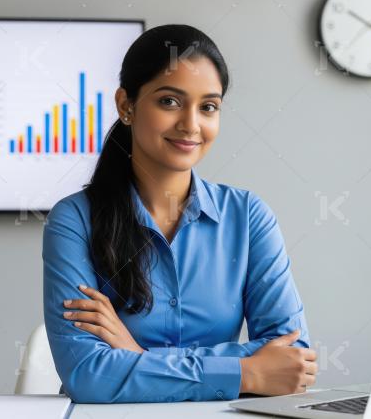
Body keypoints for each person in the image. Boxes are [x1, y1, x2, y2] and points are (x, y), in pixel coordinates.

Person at [43, 23, 316, 403]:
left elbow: (293, 360)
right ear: (126, 105)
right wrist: (247, 371)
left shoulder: (248, 217)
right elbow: (88, 375)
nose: (191, 125)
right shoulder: (74, 220)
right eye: (170, 101)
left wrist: (138, 356)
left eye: (208, 107)